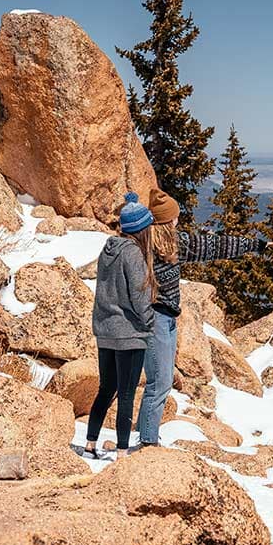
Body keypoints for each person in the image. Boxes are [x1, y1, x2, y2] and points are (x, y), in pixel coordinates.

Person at [137, 189, 270, 446]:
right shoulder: (141, 247)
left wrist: (254, 245)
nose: (178, 220)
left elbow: (216, 246)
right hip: (152, 321)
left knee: (159, 381)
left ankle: (145, 435)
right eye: (174, 217)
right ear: (167, 220)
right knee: (161, 382)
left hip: (166, 319)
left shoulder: (176, 243)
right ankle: (147, 442)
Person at [83, 192, 157, 460]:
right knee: (126, 394)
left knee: (106, 389)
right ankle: (123, 451)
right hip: (129, 334)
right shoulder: (134, 255)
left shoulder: (108, 251)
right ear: (141, 229)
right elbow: (138, 295)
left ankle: (90, 443)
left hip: (105, 331)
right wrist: (149, 322)